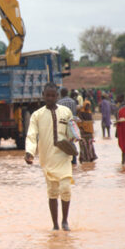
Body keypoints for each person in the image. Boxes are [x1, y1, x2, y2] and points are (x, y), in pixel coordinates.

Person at [24, 82, 74, 231]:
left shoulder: (66, 112)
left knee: (65, 188)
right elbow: (32, 135)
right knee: (52, 191)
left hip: (64, 157)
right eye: (48, 95)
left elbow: (72, 132)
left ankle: (65, 221)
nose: (50, 98)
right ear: (43, 96)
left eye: (53, 95)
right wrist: (29, 153)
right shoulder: (37, 115)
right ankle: (55, 225)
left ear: (57, 96)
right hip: (47, 159)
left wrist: (76, 138)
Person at [57, 88, 78, 164]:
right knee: (71, 142)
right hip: (72, 125)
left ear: (61, 94)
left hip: (62, 125)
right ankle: (74, 160)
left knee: (63, 142)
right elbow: (75, 114)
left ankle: (65, 161)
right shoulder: (73, 102)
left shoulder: (59, 102)